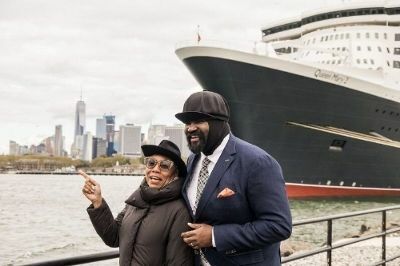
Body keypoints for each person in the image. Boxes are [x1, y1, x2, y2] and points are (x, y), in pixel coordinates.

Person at [176, 91, 292, 266]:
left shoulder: (258, 162)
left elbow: (278, 226)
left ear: (219, 123)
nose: (190, 128)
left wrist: (215, 236)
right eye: (187, 123)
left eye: (198, 121)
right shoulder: (194, 159)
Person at [80, 140, 194, 266]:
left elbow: (178, 262)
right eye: (151, 163)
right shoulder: (136, 199)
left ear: (175, 174)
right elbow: (113, 238)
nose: (155, 169)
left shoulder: (179, 211)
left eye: (165, 165)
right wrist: (98, 202)